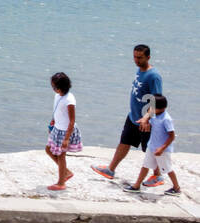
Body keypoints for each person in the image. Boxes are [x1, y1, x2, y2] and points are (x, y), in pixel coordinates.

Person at [92, 44, 162, 182]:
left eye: (140, 58)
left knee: (150, 149)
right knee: (124, 142)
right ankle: (110, 169)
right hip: (133, 117)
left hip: (146, 121)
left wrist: (146, 118)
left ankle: (158, 175)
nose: (136, 60)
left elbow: (157, 100)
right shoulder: (139, 70)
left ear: (148, 57)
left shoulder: (154, 76)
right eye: (135, 57)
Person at [122, 95, 182, 196]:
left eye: (153, 107)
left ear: (161, 108)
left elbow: (172, 136)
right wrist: (144, 120)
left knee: (167, 169)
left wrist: (162, 148)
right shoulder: (154, 115)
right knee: (145, 166)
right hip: (152, 146)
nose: (150, 110)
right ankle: (136, 186)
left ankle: (176, 188)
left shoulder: (166, 119)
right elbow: (149, 117)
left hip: (162, 150)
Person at [45, 72, 82, 191]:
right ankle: (66, 172)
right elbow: (57, 110)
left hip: (66, 131)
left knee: (61, 156)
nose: (53, 89)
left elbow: (71, 121)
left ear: (62, 87)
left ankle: (61, 183)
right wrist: (53, 120)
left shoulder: (69, 100)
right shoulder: (58, 95)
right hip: (57, 128)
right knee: (48, 149)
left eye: (55, 87)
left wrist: (66, 138)